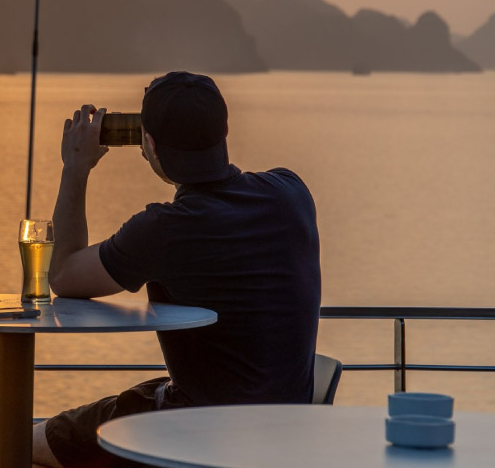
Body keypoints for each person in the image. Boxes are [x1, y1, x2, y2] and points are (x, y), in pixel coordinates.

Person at [32, 72, 321, 468]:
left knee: (25, 441)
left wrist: (76, 167)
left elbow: (63, 275)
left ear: (148, 144)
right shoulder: (292, 193)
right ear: (225, 129)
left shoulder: (163, 229)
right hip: (286, 430)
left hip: (197, 431)